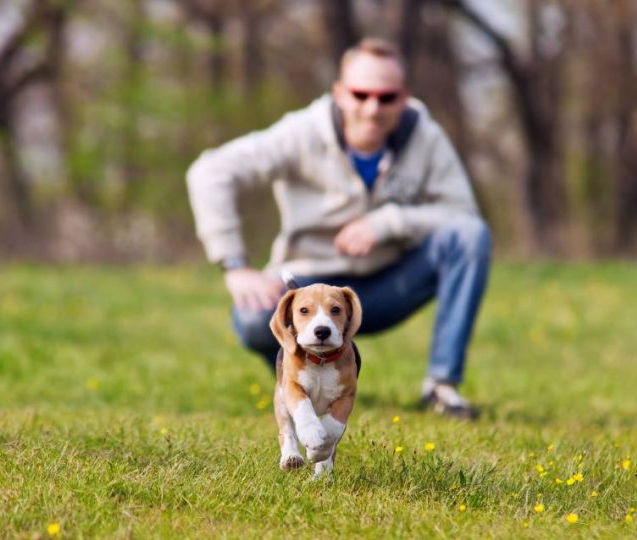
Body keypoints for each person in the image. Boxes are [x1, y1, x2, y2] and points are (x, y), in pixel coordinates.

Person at [186, 38, 491, 418]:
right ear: (339, 94)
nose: (372, 108)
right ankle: (297, 378)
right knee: (251, 319)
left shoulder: (425, 136)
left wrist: (388, 223)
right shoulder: (302, 132)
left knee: (469, 237)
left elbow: (463, 214)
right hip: (308, 282)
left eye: (386, 97)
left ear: (404, 96)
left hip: (388, 285)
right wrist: (234, 264)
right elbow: (210, 171)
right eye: (360, 94)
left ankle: (441, 387)